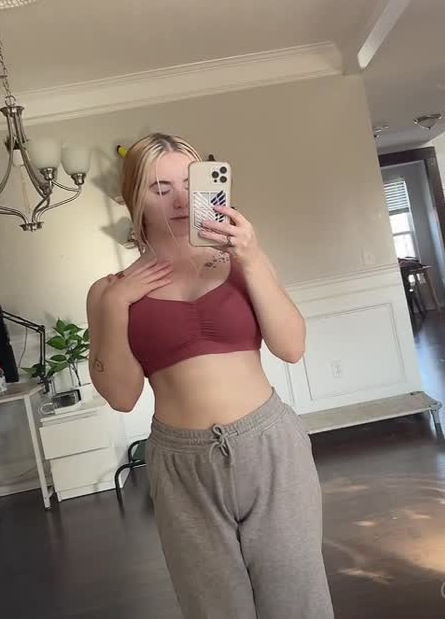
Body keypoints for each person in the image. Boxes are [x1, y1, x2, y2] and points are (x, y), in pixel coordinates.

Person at [86, 133, 334, 619]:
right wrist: (116, 306)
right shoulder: (109, 291)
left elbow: (291, 347)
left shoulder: (245, 260)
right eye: (160, 189)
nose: (180, 200)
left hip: (270, 446)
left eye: (190, 183)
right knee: (213, 607)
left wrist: (253, 258)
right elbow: (121, 396)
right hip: (181, 462)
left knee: (297, 599)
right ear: (134, 199)